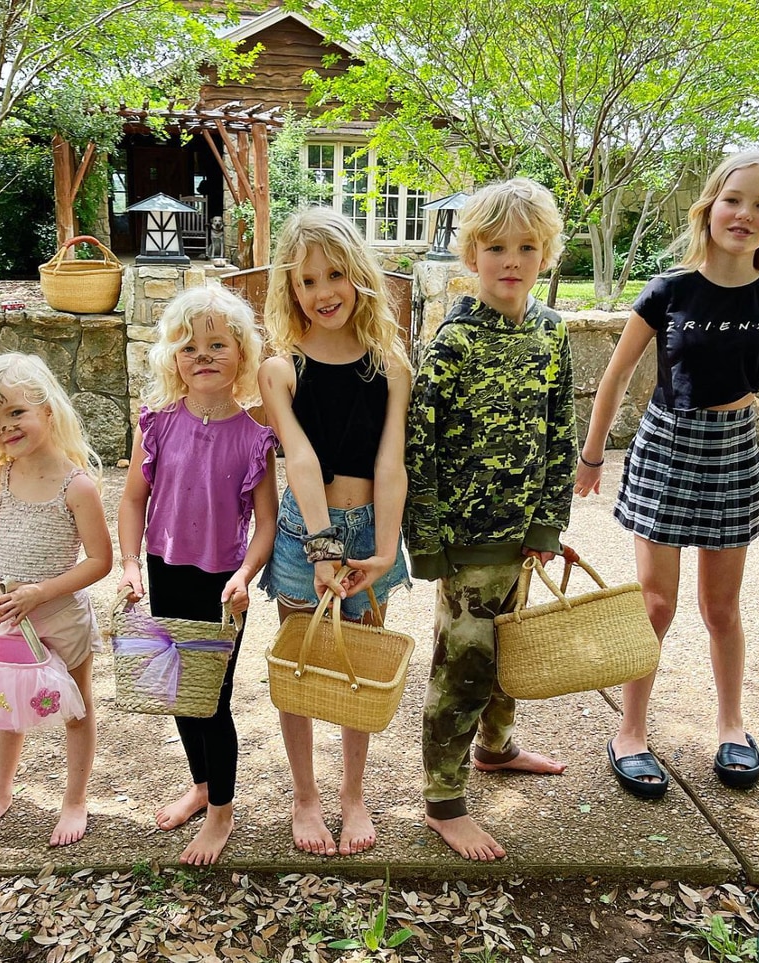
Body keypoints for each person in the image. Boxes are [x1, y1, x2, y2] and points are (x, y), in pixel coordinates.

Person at [575, 152, 759, 798]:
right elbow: (614, 378)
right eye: (734, 199)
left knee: (721, 608)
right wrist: (590, 459)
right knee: (656, 604)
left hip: (732, 453)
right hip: (667, 448)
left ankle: (732, 725)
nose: (745, 214)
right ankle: (631, 731)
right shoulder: (669, 291)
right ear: (710, 205)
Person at [405, 178, 572, 861]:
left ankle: (496, 748)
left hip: (522, 535)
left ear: (547, 254)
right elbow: (422, 445)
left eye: (527, 246)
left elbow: (560, 429)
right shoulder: (453, 343)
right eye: (497, 246)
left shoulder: (552, 333)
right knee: (463, 667)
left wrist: (547, 525)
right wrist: (431, 542)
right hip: (467, 543)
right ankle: (443, 798)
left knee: (513, 654)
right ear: (472, 254)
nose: (512, 259)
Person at [258, 206, 412, 857]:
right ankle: (305, 795)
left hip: (370, 534)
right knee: (299, 667)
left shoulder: (392, 365)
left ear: (359, 275)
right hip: (304, 536)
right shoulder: (281, 369)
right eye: (307, 280)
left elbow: (390, 463)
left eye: (336, 275)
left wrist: (382, 549)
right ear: (291, 289)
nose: (324, 292)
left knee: (360, 672)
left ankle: (352, 793)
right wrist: (322, 550)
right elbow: (300, 460)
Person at [117, 285, 279, 866]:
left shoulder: (255, 438)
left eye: (217, 344)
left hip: (221, 585)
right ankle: (203, 784)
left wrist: (246, 574)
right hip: (164, 570)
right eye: (189, 346)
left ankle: (221, 813)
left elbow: (266, 523)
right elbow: (134, 498)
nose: (203, 355)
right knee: (180, 693)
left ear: (242, 354)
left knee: (213, 699)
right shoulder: (157, 424)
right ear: (172, 357)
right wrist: (131, 563)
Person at [0, 352, 112, 845]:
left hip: (61, 615)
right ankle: (1, 793)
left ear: (47, 409)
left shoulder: (77, 484)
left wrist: (40, 592)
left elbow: (99, 560)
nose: (5, 427)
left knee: (76, 709)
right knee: (8, 707)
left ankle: (75, 800)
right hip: (9, 618)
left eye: (15, 412)